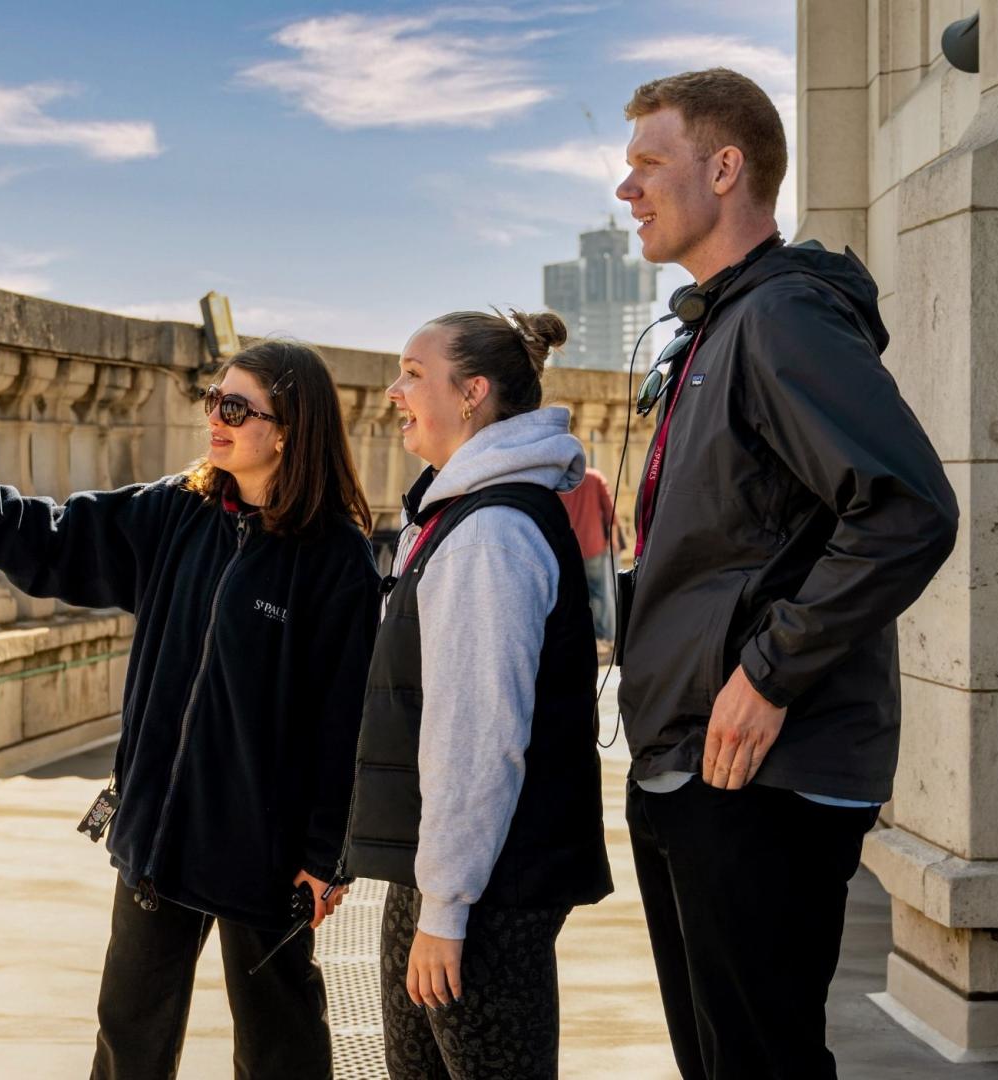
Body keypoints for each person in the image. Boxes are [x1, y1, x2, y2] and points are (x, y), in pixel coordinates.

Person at [612, 68, 959, 1079]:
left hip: (759, 777)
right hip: (695, 764)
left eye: (648, 163)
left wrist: (768, 676)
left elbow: (908, 508)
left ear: (725, 169)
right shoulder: (718, 327)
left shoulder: (781, 317)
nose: (627, 190)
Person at [0, 340, 380, 1080]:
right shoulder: (179, 511)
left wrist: (325, 857)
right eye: (213, 399)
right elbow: (64, 540)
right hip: (160, 832)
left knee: (280, 1039)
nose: (215, 418)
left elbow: (346, 721)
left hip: (265, 852)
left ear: (288, 429)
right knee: (128, 1032)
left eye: (235, 407)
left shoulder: (336, 557)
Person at [341, 308, 613, 1079]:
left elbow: (476, 737)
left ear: (473, 393)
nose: (393, 391)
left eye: (414, 373)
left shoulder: (491, 536)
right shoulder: (460, 515)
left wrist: (447, 907)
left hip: (488, 888)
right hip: (449, 875)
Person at [558, 466, 625, 645]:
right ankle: (603, 638)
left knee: (574, 597)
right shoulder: (595, 478)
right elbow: (611, 512)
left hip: (569, 550)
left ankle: (585, 639)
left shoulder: (559, 480)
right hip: (593, 546)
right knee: (600, 594)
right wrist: (613, 540)